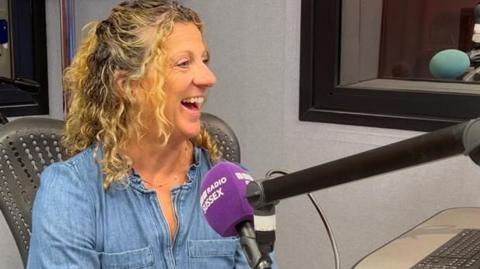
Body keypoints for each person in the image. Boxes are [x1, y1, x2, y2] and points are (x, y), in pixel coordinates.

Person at [27, 1, 276, 268]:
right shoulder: (71, 193)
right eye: (183, 63)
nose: (208, 77)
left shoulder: (232, 190)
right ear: (128, 86)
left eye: (203, 60)